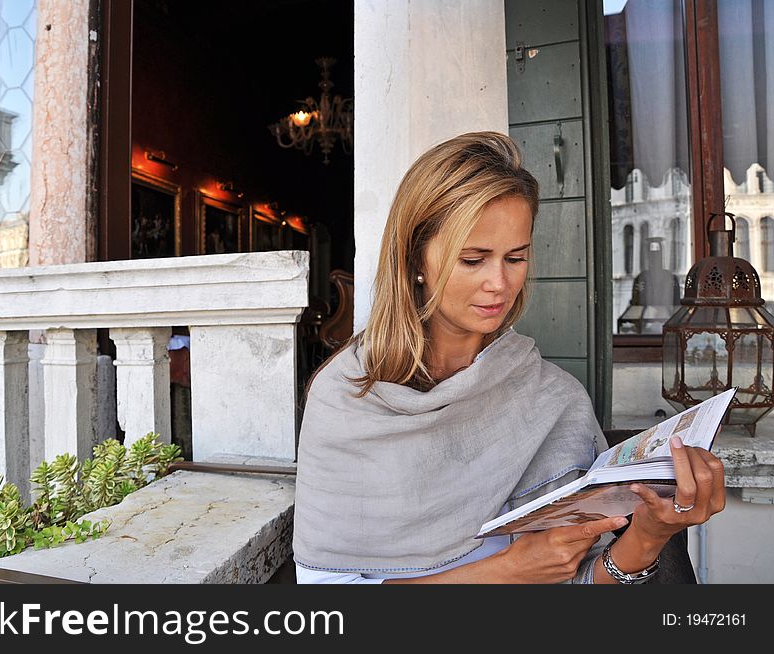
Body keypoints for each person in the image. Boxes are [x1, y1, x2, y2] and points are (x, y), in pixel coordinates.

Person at [292, 132, 726, 584]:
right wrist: (508, 571)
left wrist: (651, 535)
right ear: (414, 259)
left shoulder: (552, 397)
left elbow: (582, 584)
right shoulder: (346, 397)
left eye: (515, 257)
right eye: (473, 260)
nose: (499, 283)